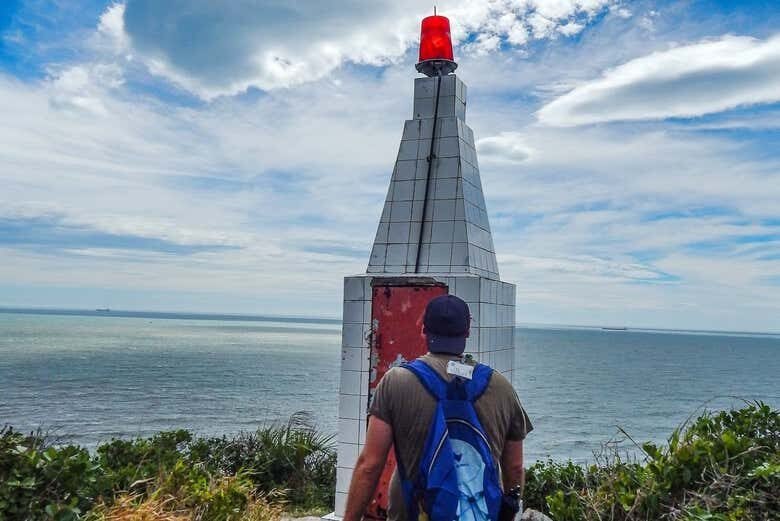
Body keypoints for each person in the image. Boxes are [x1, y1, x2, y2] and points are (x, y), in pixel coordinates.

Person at [343, 294, 533, 521]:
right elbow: (515, 468)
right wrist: (508, 512)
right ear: (467, 332)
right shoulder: (501, 387)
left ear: (424, 330)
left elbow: (370, 465)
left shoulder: (396, 382)